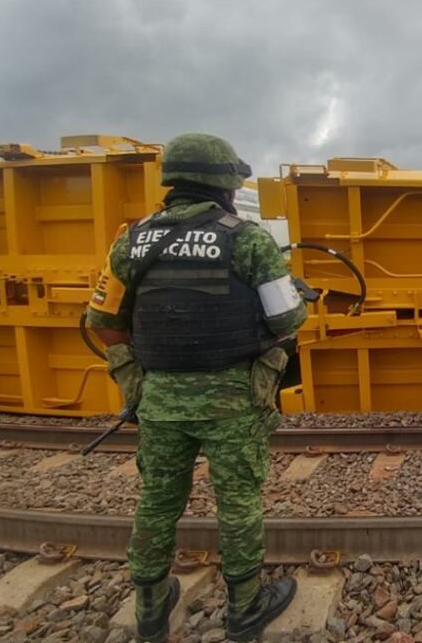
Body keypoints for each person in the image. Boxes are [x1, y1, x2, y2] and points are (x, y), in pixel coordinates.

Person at [86, 133, 306, 642]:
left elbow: (103, 320)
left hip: (159, 401)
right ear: (226, 183)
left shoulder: (132, 239)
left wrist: (134, 379)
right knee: (238, 502)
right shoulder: (246, 238)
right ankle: (246, 609)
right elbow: (287, 317)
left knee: (157, 502)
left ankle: (150, 609)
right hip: (232, 401)